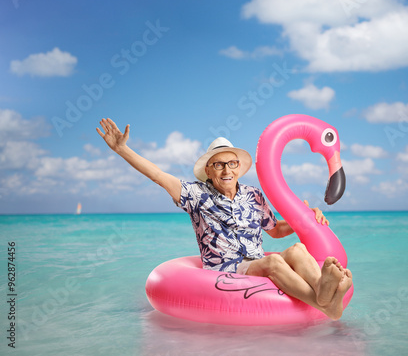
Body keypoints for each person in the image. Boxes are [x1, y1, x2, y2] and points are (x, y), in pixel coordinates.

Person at [97, 118, 353, 320]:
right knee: (274, 262)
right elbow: (157, 175)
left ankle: (324, 291)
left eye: (231, 164)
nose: (226, 170)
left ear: (239, 168)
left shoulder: (253, 195)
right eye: (218, 165)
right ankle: (326, 305)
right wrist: (122, 149)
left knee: (297, 249)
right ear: (208, 170)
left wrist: (307, 218)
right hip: (227, 270)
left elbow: (274, 230)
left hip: (256, 262)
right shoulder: (195, 194)